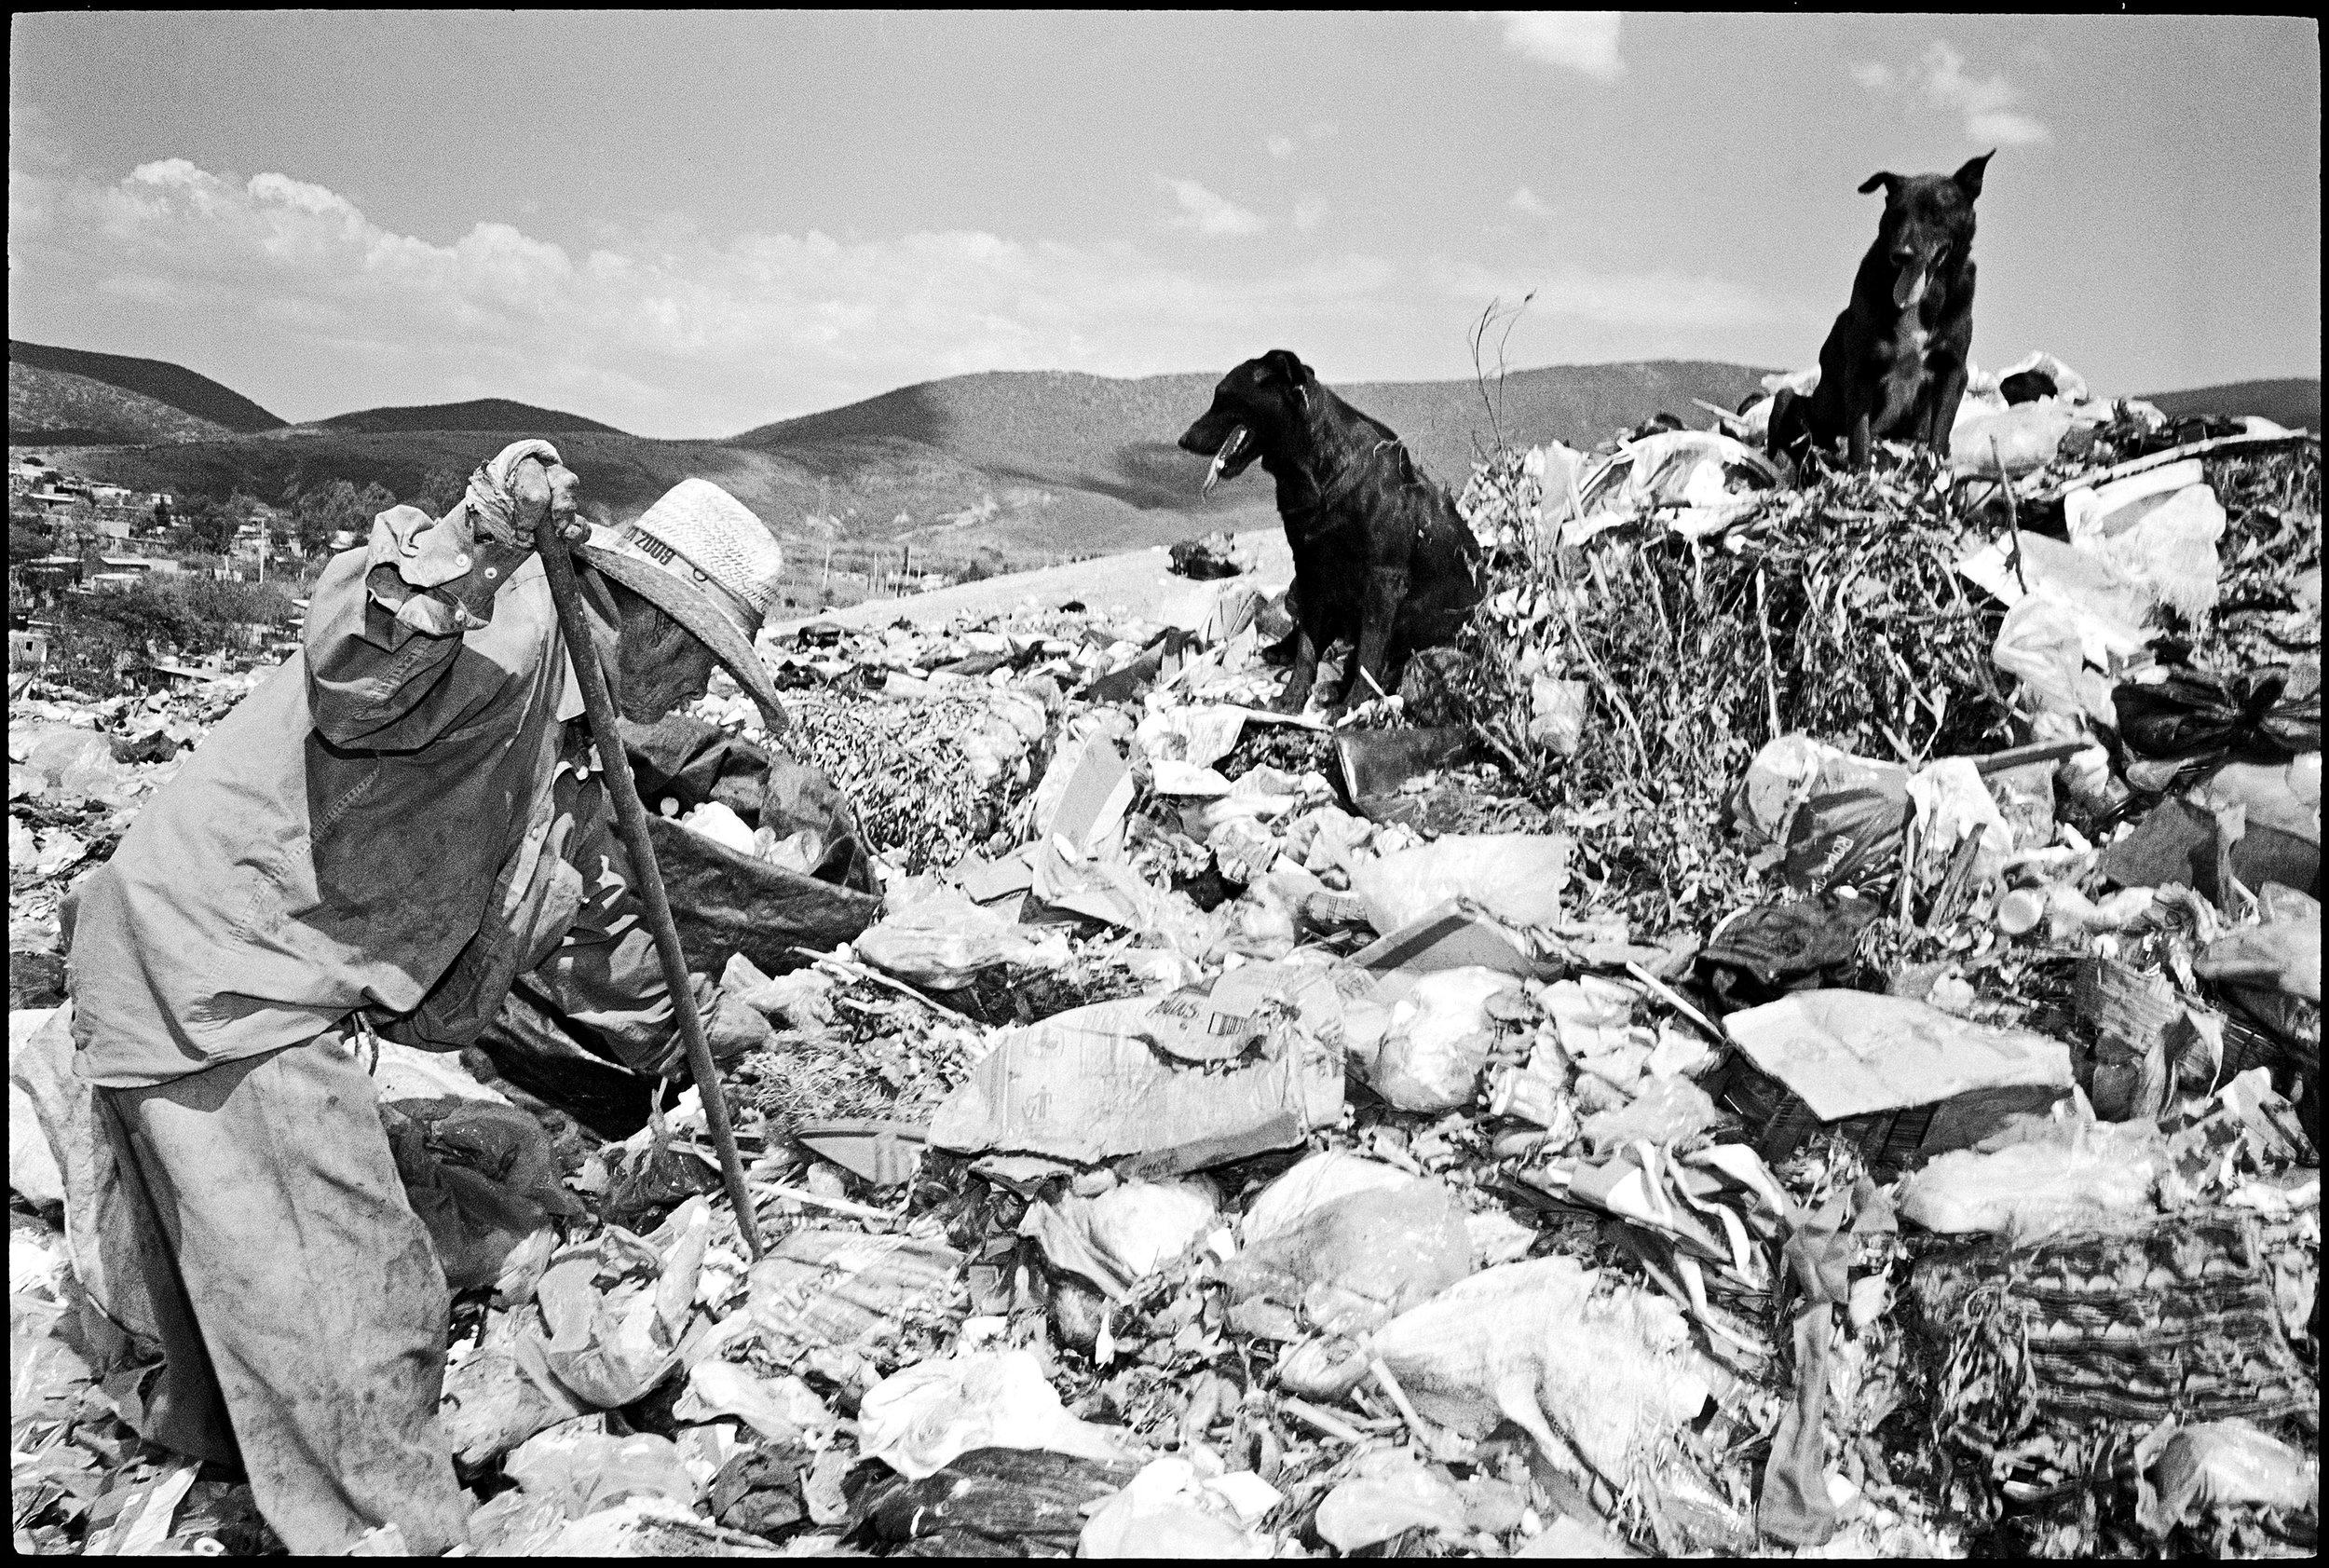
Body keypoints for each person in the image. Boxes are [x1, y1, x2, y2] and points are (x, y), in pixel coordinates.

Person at [55, 443, 826, 1552]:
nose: (702, 695)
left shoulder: (567, 747)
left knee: (238, 1320)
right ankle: (399, 1534)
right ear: (654, 628)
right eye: (704, 663)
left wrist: (723, 1022)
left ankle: (241, 1498)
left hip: (204, 967)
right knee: (366, 1309)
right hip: (223, 975)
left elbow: (577, 936)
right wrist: (477, 533)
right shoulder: (508, 630)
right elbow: (356, 669)